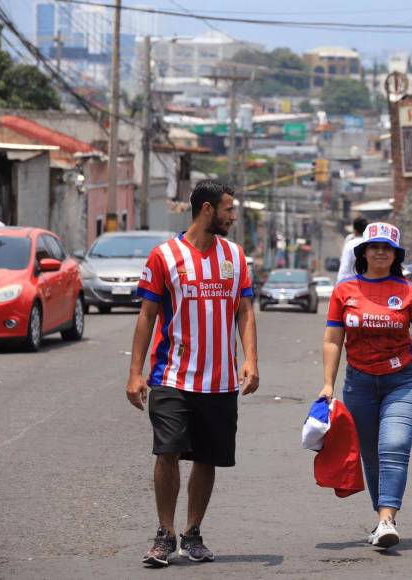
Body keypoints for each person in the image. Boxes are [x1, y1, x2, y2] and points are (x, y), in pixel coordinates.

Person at [127, 180, 260, 568]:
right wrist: (135, 373)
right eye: (229, 209)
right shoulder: (164, 256)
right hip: (172, 376)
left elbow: (245, 312)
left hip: (219, 381)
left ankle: (193, 532)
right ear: (207, 210)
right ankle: (165, 534)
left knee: (207, 457)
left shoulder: (235, 257)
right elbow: (147, 316)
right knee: (166, 451)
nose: (233, 216)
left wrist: (250, 359)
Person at [320, 222, 412, 549]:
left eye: (387, 248)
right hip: (359, 384)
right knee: (372, 456)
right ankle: (382, 518)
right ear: (363, 252)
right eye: (374, 247)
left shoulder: (408, 291)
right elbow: (333, 340)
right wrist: (327, 385)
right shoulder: (345, 291)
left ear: (395, 255)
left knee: (394, 447)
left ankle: (387, 519)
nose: (379, 252)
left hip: (403, 382)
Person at [336, 216, 368, 281]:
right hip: (367, 283)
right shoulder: (371, 245)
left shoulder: (350, 244)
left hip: (351, 283)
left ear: (354, 230)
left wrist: (339, 285)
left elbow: (344, 267)